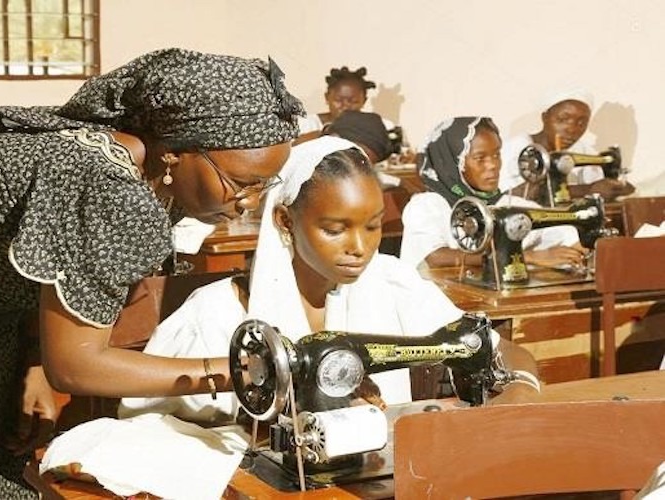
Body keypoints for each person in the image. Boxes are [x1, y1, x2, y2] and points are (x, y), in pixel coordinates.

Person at [0, 48, 303, 498]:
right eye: (241, 182)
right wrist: (238, 373)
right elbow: (76, 366)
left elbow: (48, 272)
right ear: (176, 151)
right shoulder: (109, 187)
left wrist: (30, 358)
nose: (249, 201)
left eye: (266, 184)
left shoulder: (149, 177)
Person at [119, 136, 540, 424]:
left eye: (373, 226)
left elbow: (499, 350)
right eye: (336, 230)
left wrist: (519, 392)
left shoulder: (393, 283)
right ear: (286, 221)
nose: (360, 247)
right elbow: (144, 423)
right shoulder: (216, 314)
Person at [400, 116, 587, 270]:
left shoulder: (507, 203)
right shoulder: (428, 205)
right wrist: (526, 257)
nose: (493, 165)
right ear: (451, 164)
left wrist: (575, 250)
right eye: (480, 158)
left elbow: (562, 233)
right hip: (431, 304)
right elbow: (436, 257)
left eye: (496, 155)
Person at [498, 88, 635, 202]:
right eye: (563, 119)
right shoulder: (512, 150)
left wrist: (617, 187)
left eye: (581, 123)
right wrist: (586, 190)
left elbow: (600, 192)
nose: (572, 129)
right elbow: (507, 198)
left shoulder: (584, 151)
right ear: (544, 117)